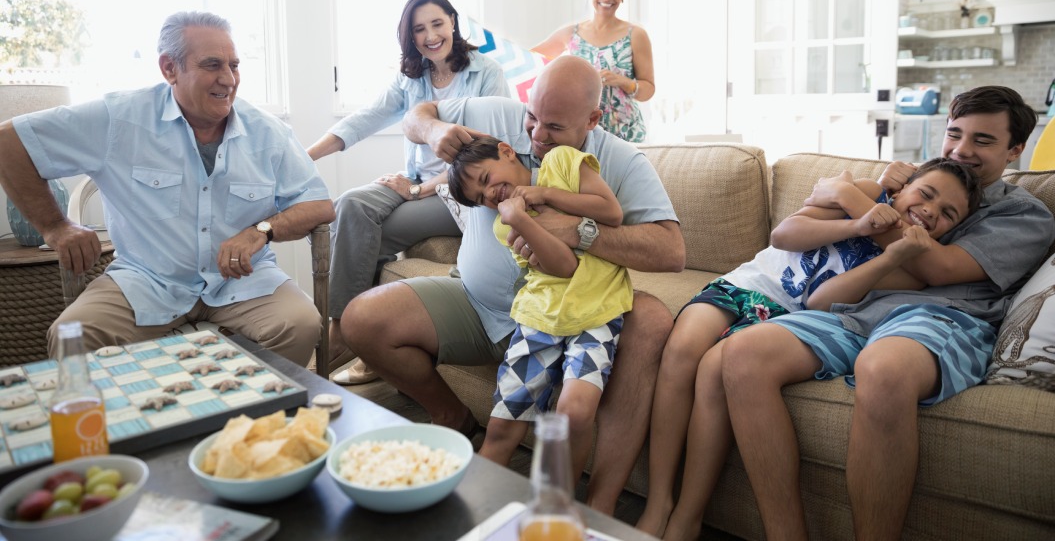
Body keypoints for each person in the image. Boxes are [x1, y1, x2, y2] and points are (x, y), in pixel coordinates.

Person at [341, 55, 684, 513]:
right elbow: (417, 113)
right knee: (361, 319)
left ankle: (598, 510)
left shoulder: (616, 161)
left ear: (593, 120)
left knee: (653, 317)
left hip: (565, 311)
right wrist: (433, 132)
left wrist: (581, 231)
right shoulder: (498, 122)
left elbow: (671, 251)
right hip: (476, 303)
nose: (536, 136)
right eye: (532, 117)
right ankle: (454, 418)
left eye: (554, 127)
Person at [721, 85, 1055, 541]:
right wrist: (871, 190)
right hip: (862, 308)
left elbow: (936, 268)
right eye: (954, 134)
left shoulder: (1024, 214)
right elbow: (802, 226)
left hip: (944, 318)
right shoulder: (916, 182)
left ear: (1016, 150)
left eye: (983, 140)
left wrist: (851, 194)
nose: (961, 150)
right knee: (743, 352)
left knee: (883, 367)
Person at [638, 157, 982, 540]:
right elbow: (784, 234)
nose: (930, 211)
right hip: (750, 281)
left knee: (714, 371)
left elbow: (821, 303)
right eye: (926, 194)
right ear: (902, 190)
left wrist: (891, 257)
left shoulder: (913, 267)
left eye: (947, 214)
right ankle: (657, 504)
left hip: (786, 312)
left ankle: (687, 517)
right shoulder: (868, 192)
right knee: (682, 350)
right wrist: (858, 222)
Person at [0, 11, 335, 366]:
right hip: (146, 281)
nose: (228, 79)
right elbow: (8, 143)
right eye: (212, 65)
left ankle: (245, 416)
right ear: (169, 68)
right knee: (74, 335)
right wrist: (56, 227)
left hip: (242, 284)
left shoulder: (269, 132)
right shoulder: (118, 118)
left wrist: (261, 231)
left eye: (234, 65)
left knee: (300, 324)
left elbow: (318, 204)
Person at [306, 0, 508, 383]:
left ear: (453, 21)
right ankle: (346, 327)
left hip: (458, 193)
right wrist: (305, 156)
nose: (430, 35)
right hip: (414, 180)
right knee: (351, 205)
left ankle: (352, 339)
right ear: (410, 37)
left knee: (368, 231)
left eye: (437, 23)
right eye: (419, 29)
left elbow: (489, 151)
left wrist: (420, 190)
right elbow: (366, 119)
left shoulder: (487, 73)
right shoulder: (412, 76)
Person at [446, 136, 632, 480]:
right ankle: (471, 515)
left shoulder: (561, 161)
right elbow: (563, 266)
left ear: (506, 151)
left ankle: (561, 506)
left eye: (486, 180)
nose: (489, 196)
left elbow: (611, 212)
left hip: (597, 313)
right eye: (479, 198)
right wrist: (521, 220)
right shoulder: (505, 224)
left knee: (575, 413)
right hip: (540, 316)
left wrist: (543, 195)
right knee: (503, 424)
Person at [533, 0, 654, 143]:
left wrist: (622, 81)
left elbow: (648, 90)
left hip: (626, 135)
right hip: (583, 135)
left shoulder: (636, 35)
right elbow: (532, 59)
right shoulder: (571, 34)